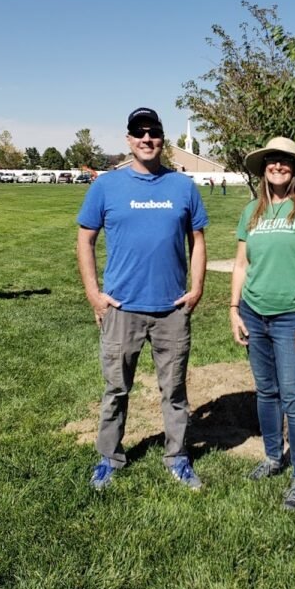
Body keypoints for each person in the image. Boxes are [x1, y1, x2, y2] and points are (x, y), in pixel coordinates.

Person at [77, 107, 208, 491]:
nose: (147, 138)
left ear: (162, 139)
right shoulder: (106, 186)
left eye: (153, 132)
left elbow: (198, 240)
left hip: (172, 310)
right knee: (116, 389)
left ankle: (177, 457)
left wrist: (196, 288)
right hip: (122, 309)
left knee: (175, 390)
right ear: (129, 139)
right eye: (139, 132)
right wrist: (94, 295)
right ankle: (109, 457)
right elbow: (85, 239)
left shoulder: (182, 187)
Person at [229, 137, 295, 511]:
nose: (278, 165)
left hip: (292, 317)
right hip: (254, 313)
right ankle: (273, 457)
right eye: (272, 159)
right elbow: (241, 264)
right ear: (264, 167)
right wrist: (234, 308)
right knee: (266, 392)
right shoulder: (251, 212)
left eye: (285, 160)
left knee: (294, 398)